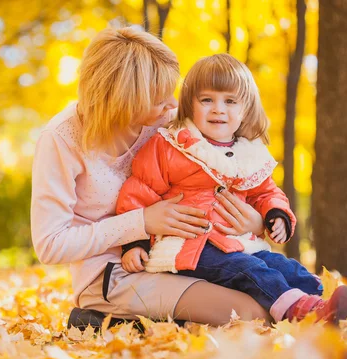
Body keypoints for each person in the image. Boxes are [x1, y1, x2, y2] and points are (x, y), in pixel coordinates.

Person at [116, 54, 347, 323]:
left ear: (245, 109)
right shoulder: (171, 145)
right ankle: (300, 311)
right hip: (193, 247)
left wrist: (274, 213)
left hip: (240, 242)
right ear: (190, 104)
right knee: (248, 270)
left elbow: (266, 192)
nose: (218, 109)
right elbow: (138, 192)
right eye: (207, 100)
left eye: (230, 101)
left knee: (287, 267)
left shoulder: (248, 153)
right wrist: (135, 244)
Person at [31, 27, 272, 327]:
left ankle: (130, 324)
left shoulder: (165, 124)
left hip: (180, 258)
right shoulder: (61, 140)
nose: (172, 104)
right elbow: (50, 245)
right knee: (250, 315)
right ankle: (105, 317)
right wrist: (141, 222)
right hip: (111, 274)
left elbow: (233, 169)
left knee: (269, 296)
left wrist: (258, 222)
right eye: (159, 98)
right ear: (123, 101)